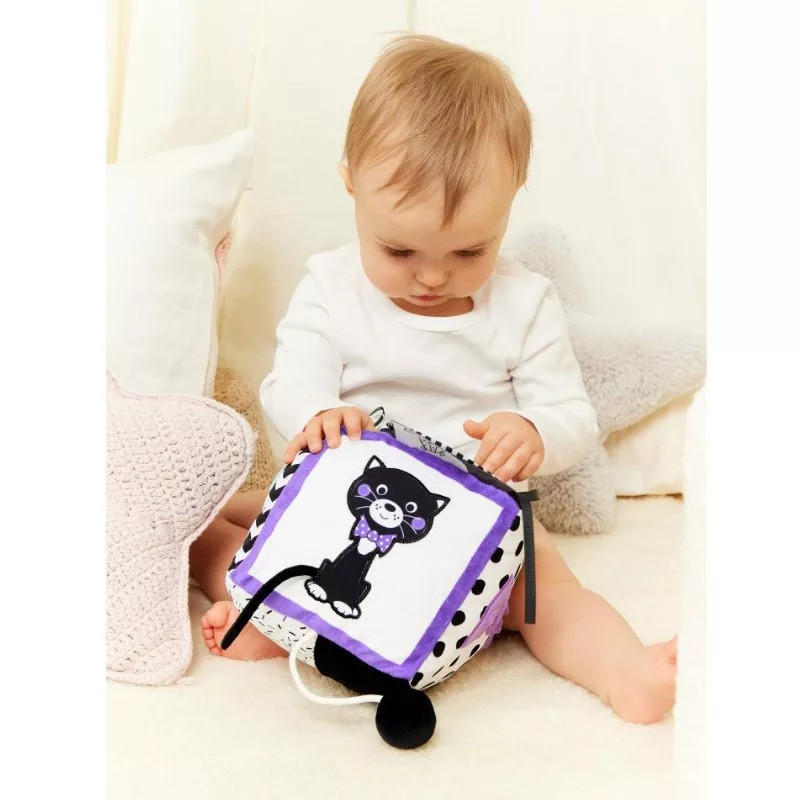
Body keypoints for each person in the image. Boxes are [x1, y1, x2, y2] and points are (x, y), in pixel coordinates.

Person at [190, 34, 676, 724]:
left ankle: (625, 672)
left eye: (471, 250)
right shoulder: (331, 285)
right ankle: (234, 578)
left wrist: (535, 431)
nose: (432, 276)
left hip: (479, 527)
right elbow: (290, 378)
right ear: (350, 182)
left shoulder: (525, 302)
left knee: (548, 593)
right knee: (242, 533)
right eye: (399, 249)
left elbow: (572, 413)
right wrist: (318, 410)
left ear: (514, 199)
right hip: (349, 511)